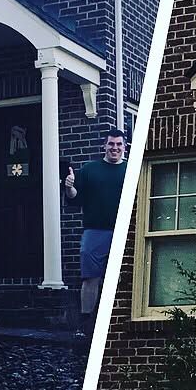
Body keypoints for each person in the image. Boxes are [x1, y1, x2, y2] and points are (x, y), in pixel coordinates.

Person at [63, 129, 127, 336]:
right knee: (90, 278)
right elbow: (75, 198)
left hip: (124, 231)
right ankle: (84, 324)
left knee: (123, 277)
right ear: (104, 146)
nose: (115, 148)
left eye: (118, 144)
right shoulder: (89, 170)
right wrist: (69, 187)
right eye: (111, 144)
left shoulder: (130, 170)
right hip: (95, 231)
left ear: (124, 147)